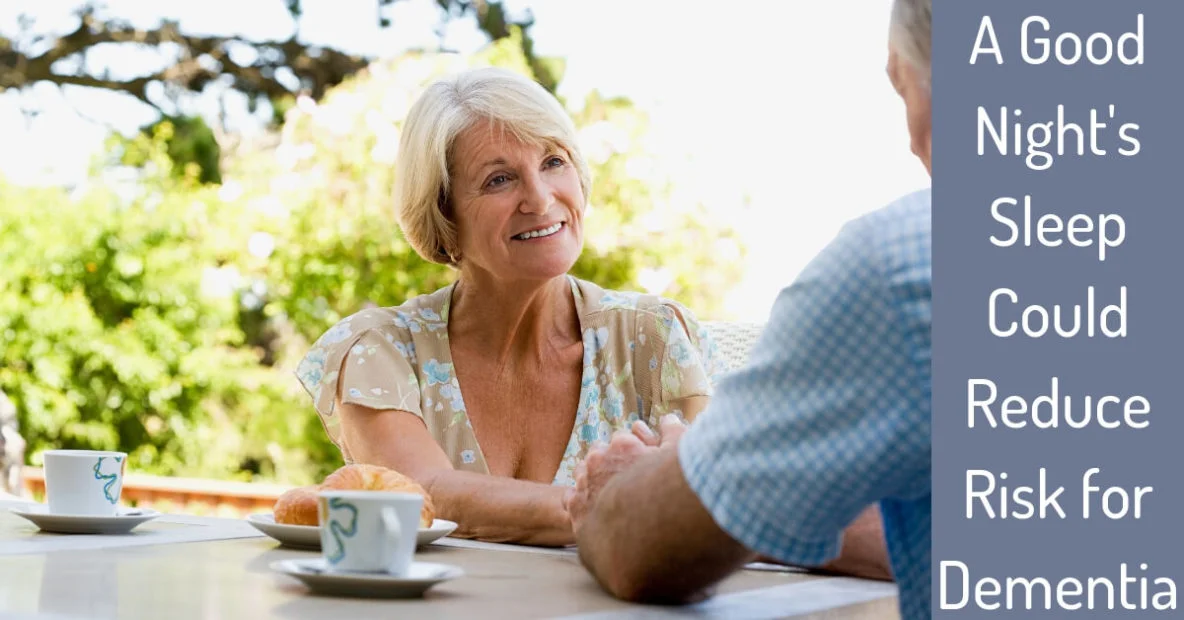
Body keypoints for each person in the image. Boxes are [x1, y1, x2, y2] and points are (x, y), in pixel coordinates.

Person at [564, 0, 933, 618]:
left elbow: (644, 549)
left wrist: (630, 491)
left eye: (899, 87)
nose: (911, 139)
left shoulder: (898, 264)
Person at [294, 67, 725, 547]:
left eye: (554, 162)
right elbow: (422, 495)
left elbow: (721, 500)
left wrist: (659, 502)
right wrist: (618, 504)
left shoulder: (656, 340)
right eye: (499, 179)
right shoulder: (381, 351)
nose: (540, 200)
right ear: (444, 215)